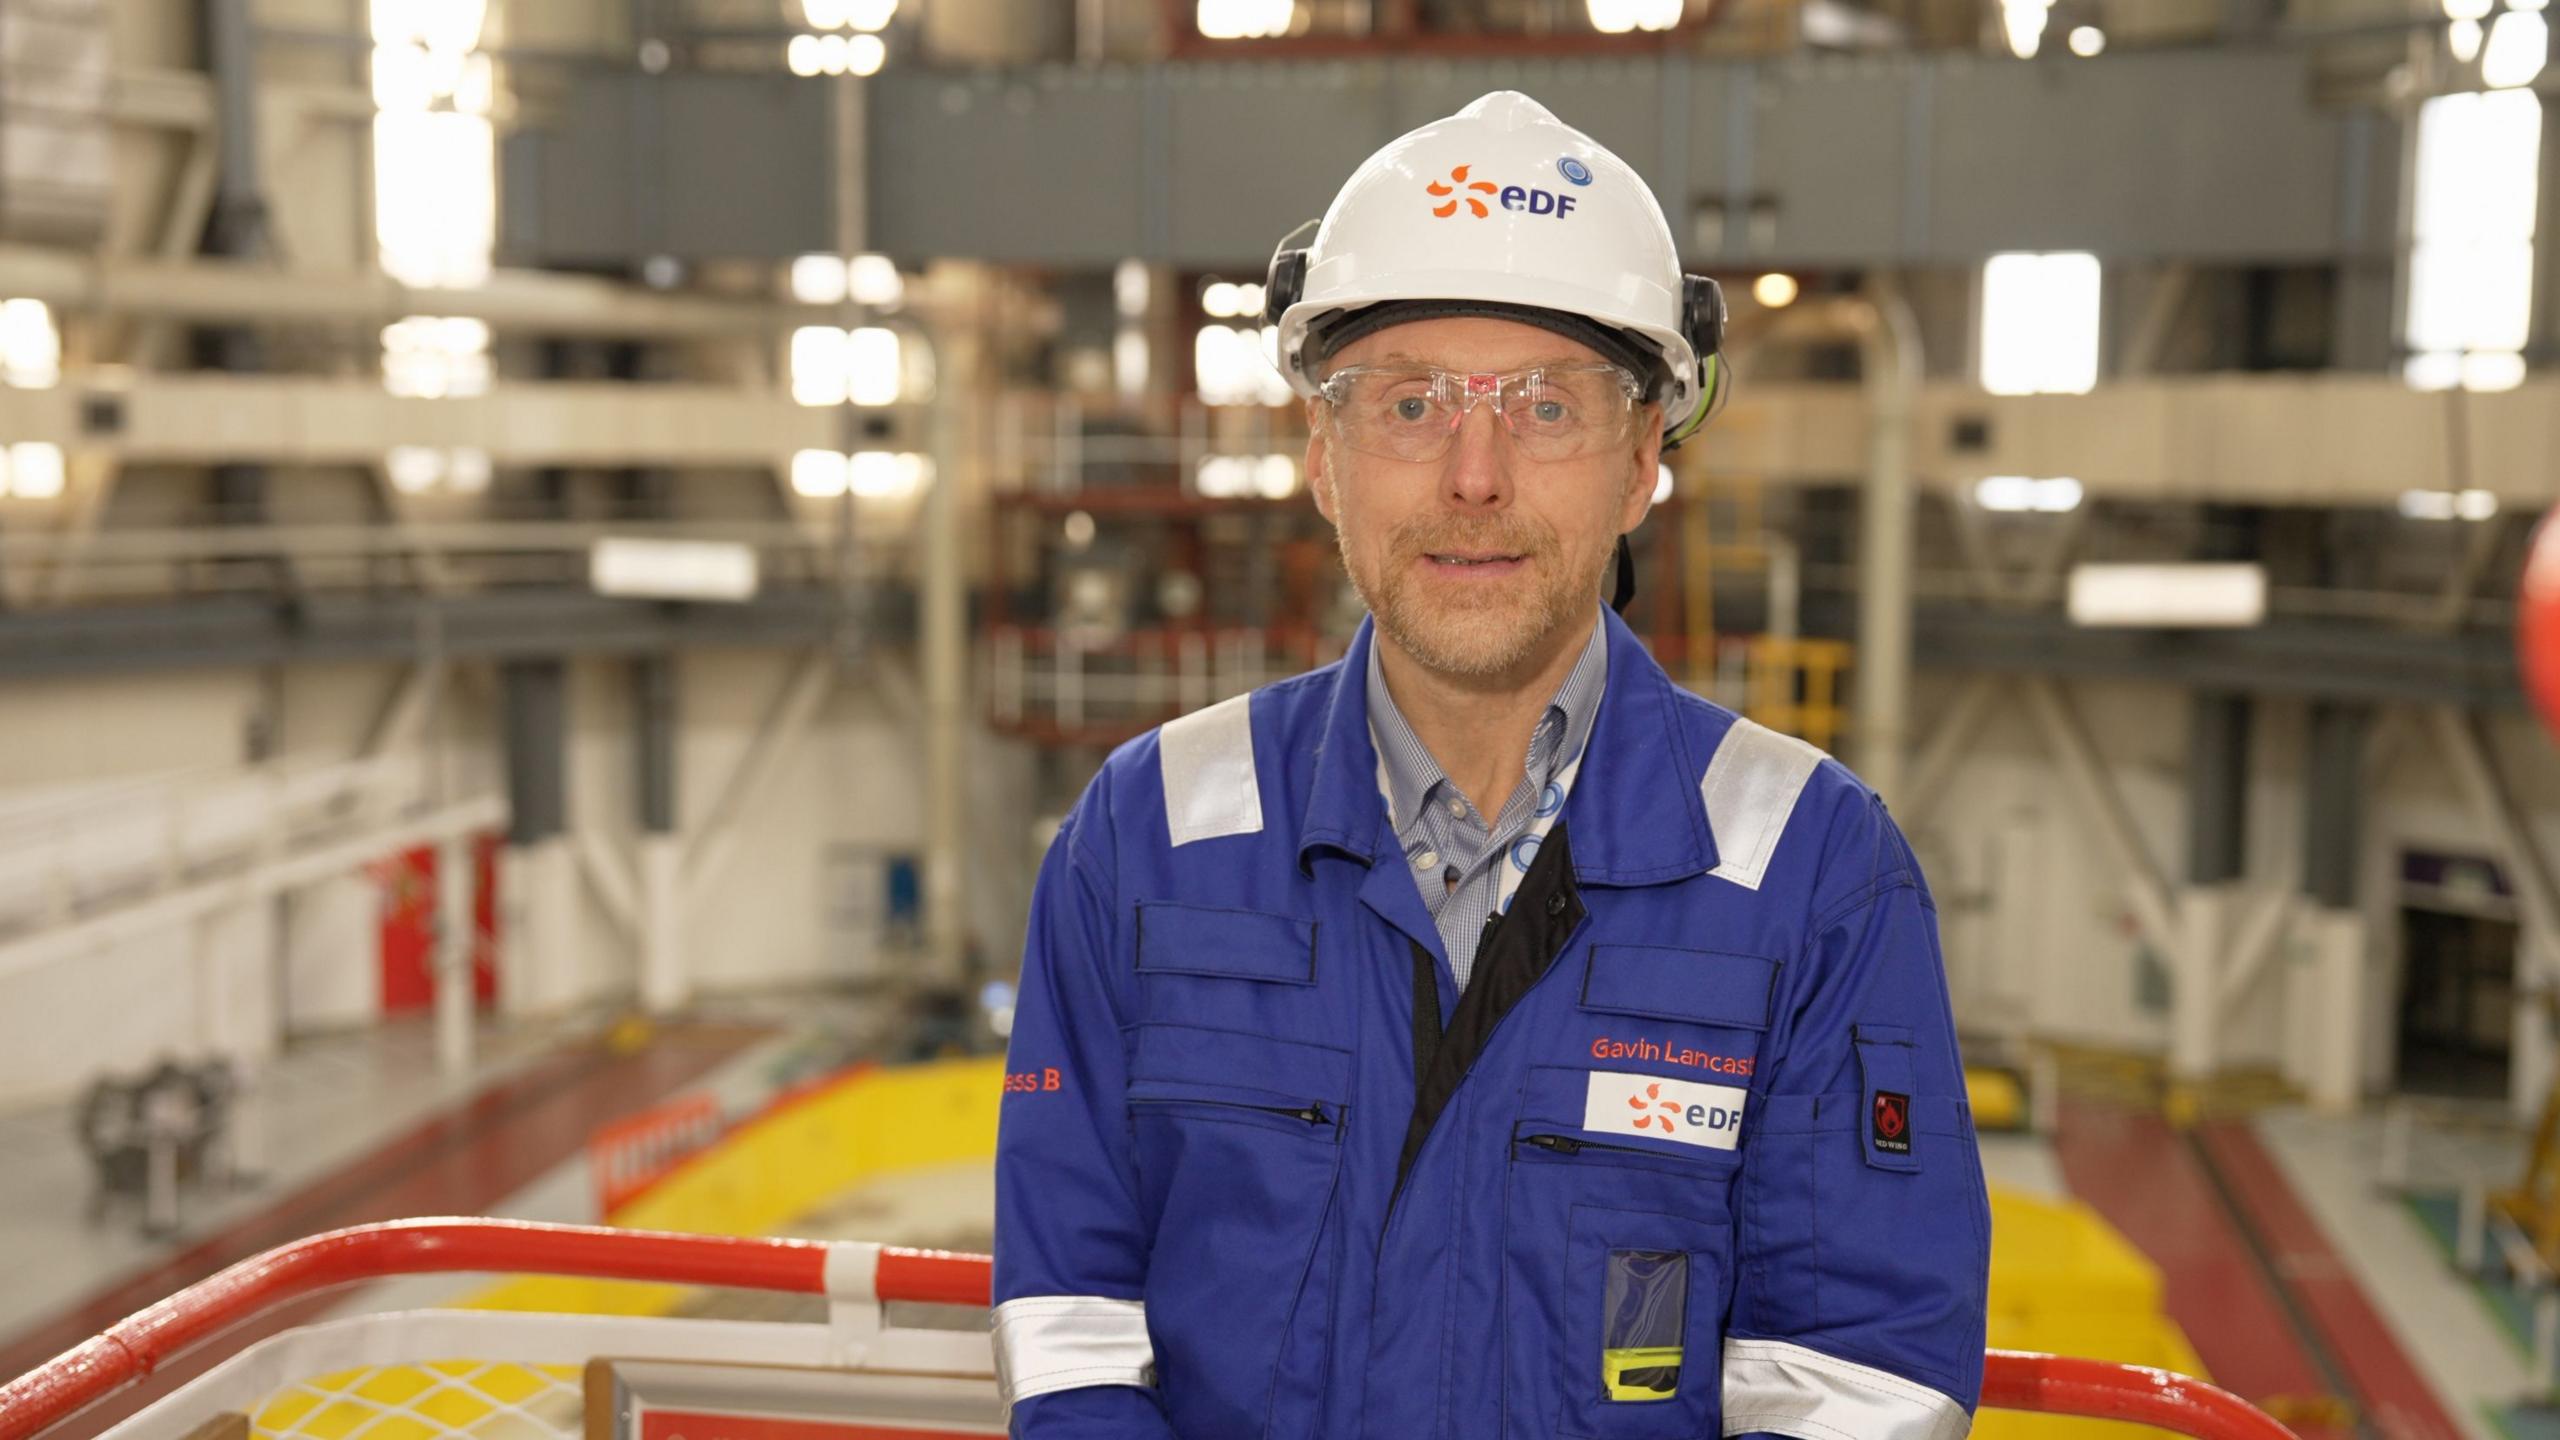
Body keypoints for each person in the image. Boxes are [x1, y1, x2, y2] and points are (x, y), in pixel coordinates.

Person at [992, 91, 1989, 1440]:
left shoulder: (1811, 870)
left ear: (1644, 459)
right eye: (1408, 403)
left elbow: (1858, 1386)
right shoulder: (1150, 833)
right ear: (1323, 458)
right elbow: (1074, 1327)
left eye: (1547, 407)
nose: (1475, 475)